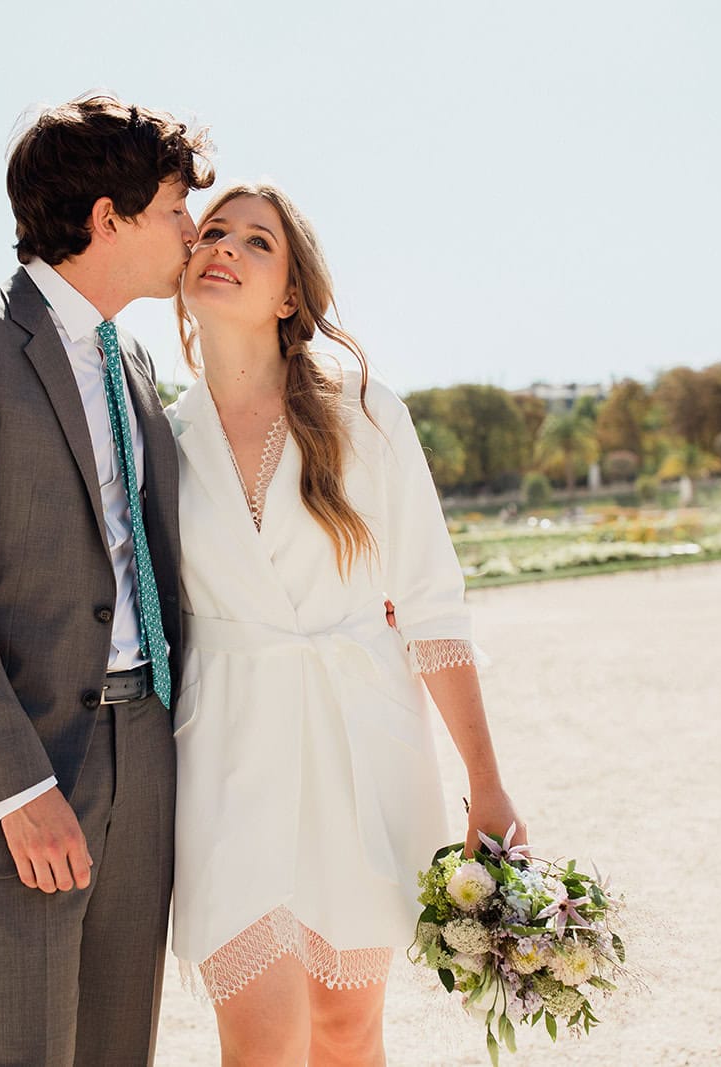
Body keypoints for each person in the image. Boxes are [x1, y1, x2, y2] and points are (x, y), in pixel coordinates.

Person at [0, 94, 213, 1066]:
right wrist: (17, 786)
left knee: (120, 1047)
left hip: (142, 749)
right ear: (107, 218)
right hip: (21, 762)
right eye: (173, 212)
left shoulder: (137, 356)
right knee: (18, 1049)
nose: (190, 235)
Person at [166, 183, 527, 1066]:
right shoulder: (157, 432)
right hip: (226, 752)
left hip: (359, 745)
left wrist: (487, 780)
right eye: (213, 231)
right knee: (259, 1043)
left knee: (344, 1032)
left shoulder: (366, 413)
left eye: (259, 242)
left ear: (291, 292)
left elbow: (431, 603)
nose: (226, 248)